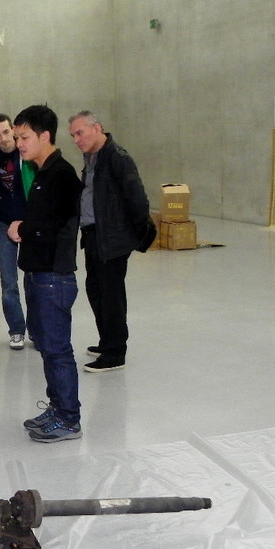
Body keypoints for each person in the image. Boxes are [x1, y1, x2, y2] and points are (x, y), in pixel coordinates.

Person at [7, 105, 83, 442]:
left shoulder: (61, 175)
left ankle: (69, 418)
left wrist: (23, 228)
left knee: (57, 349)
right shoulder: (42, 172)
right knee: (48, 348)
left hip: (54, 276)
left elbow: (55, 226)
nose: (19, 144)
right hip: (39, 273)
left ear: (45, 136)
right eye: (17, 138)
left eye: (24, 137)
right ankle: (57, 407)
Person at [68, 111, 156, 373]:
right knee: (96, 290)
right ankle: (107, 341)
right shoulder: (92, 157)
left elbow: (137, 200)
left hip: (111, 239)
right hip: (94, 236)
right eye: (73, 135)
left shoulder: (117, 158)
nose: (76, 139)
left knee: (111, 296)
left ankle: (115, 353)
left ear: (97, 128)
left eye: (80, 133)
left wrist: (134, 236)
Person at [0, 113, 35, 350]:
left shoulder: (26, 151)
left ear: (13, 130)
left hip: (30, 222)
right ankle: (17, 330)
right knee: (8, 281)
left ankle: (37, 330)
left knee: (34, 278)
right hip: (2, 224)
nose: (3, 138)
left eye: (6, 132)